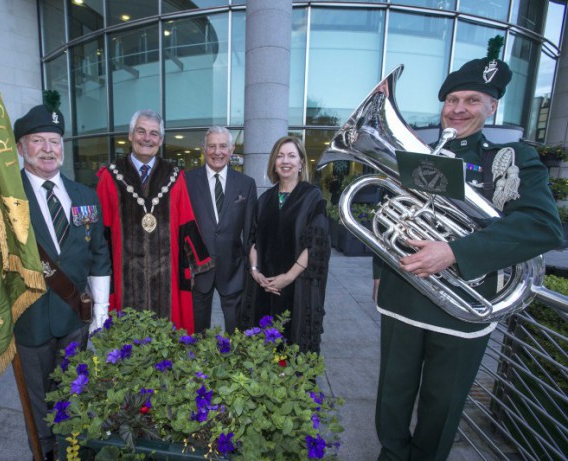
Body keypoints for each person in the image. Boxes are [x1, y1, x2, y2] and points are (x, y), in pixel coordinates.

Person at [372, 37, 564, 460]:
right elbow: (391, 212)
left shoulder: (510, 158)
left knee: (443, 405)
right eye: (452, 99)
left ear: (492, 107)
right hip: (403, 295)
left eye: (472, 100)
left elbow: (543, 226)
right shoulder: (420, 153)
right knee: (392, 393)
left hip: (465, 304)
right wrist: (377, 275)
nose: (458, 108)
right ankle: (391, 453)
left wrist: (455, 252)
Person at [13, 94, 112, 461]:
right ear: (22, 148)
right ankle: (46, 452)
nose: (48, 149)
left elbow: (99, 254)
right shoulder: (7, 200)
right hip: (30, 319)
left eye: (54, 141)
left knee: (74, 389)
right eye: (38, 141)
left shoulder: (85, 195)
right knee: (39, 402)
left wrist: (100, 312)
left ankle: (74, 449)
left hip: (75, 318)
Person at [96, 109, 213, 333]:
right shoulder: (110, 176)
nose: (147, 138)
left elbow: (186, 221)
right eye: (141, 131)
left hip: (166, 274)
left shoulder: (174, 175)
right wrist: (100, 274)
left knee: (167, 338)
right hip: (125, 276)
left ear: (160, 140)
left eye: (153, 134)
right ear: (130, 135)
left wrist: (194, 263)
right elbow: (103, 233)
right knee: (127, 345)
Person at [238, 136, 331, 353]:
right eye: (280, 156)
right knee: (264, 350)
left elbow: (316, 244)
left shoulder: (312, 197)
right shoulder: (265, 199)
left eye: (291, 155)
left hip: (296, 287)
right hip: (264, 286)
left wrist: (287, 278)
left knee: (293, 349)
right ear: (273, 163)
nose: (285, 161)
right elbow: (253, 240)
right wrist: (255, 272)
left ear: (301, 163)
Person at [185, 126, 257, 334]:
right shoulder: (186, 181)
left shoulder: (246, 184)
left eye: (223, 146)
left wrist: (250, 268)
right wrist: (185, 266)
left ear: (232, 149)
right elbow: (180, 229)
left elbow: (251, 231)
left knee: (237, 333)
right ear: (203, 149)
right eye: (212, 146)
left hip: (233, 271)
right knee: (196, 334)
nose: (218, 152)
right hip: (197, 272)